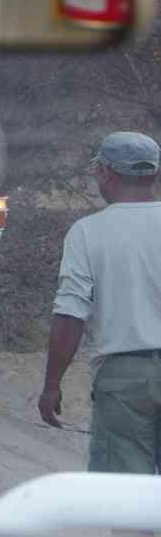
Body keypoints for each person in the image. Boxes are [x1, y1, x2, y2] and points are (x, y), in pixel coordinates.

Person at [39, 131, 161, 473]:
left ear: (106, 172)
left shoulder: (88, 232)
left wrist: (51, 384)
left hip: (123, 380)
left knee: (124, 503)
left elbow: (70, 315)